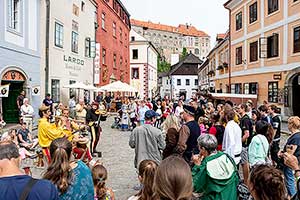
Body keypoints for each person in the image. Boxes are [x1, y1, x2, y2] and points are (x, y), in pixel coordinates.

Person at [192, 134, 238, 200]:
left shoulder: (205, 166)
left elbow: (196, 187)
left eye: (199, 147)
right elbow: (236, 179)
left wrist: (196, 166)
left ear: (203, 149)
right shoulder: (227, 158)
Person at [279, 116, 300, 197]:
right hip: (292, 162)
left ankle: (294, 196)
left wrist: (281, 154)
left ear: (291, 125)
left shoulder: (296, 137)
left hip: (290, 164)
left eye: (288, 123)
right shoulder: (295, 135)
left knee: (290, 181)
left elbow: (289, 154)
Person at [237, 103, 253, 185]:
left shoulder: (245, 119)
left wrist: (239, 142)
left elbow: (247, 134)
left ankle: (246, 182)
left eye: (239, 108)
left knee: (244, 164)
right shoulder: (242, 119)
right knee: (244, 163)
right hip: (244, 145)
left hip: (245, 145)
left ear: (243, 109)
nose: (237, 109)